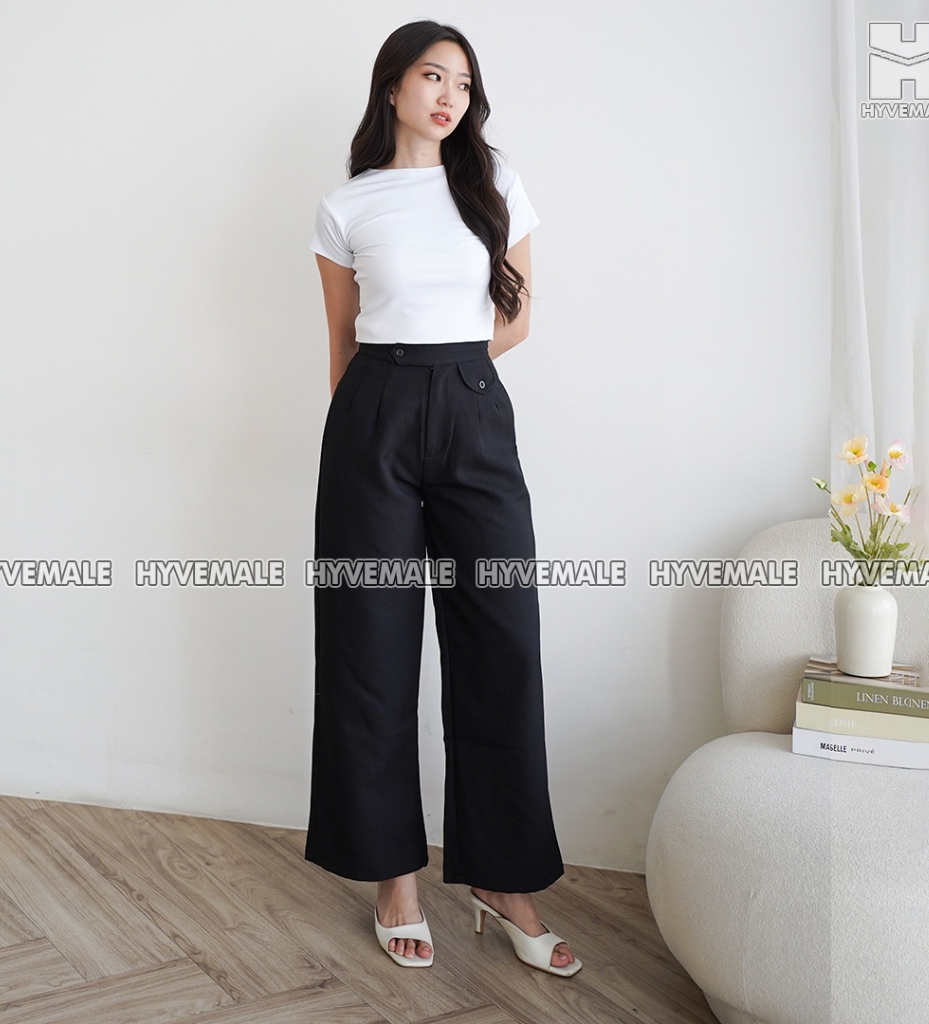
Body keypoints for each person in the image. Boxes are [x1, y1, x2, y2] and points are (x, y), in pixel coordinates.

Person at [306, 19, 580, 978]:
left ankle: (505, 883)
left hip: (471, 406)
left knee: (502, 641)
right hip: (371, 420)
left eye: (463, 82)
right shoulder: (347, 205)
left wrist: (447, 374)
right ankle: (395, 880)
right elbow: (341, 343)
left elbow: (519, 318)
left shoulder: (495, 184)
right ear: (393, 86)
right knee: (369, 649)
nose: (449, 96)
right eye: (432, 76)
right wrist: (381, 412)